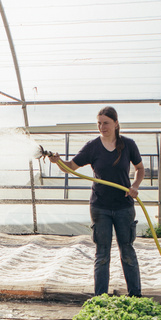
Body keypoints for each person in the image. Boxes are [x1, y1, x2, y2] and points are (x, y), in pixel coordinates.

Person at [49, 106, 145, 297]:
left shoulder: (128, 145)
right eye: (99, 123)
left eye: (106, 123)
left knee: (127, 252)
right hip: (100, 207)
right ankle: (100, 299)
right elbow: (71, 167)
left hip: (124, 206)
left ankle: (136, 297)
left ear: (116, 123)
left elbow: (140, 168)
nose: (102, 127)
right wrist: (58, 161)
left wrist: (135, 185)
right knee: (102, 255)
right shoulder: (92, 147)